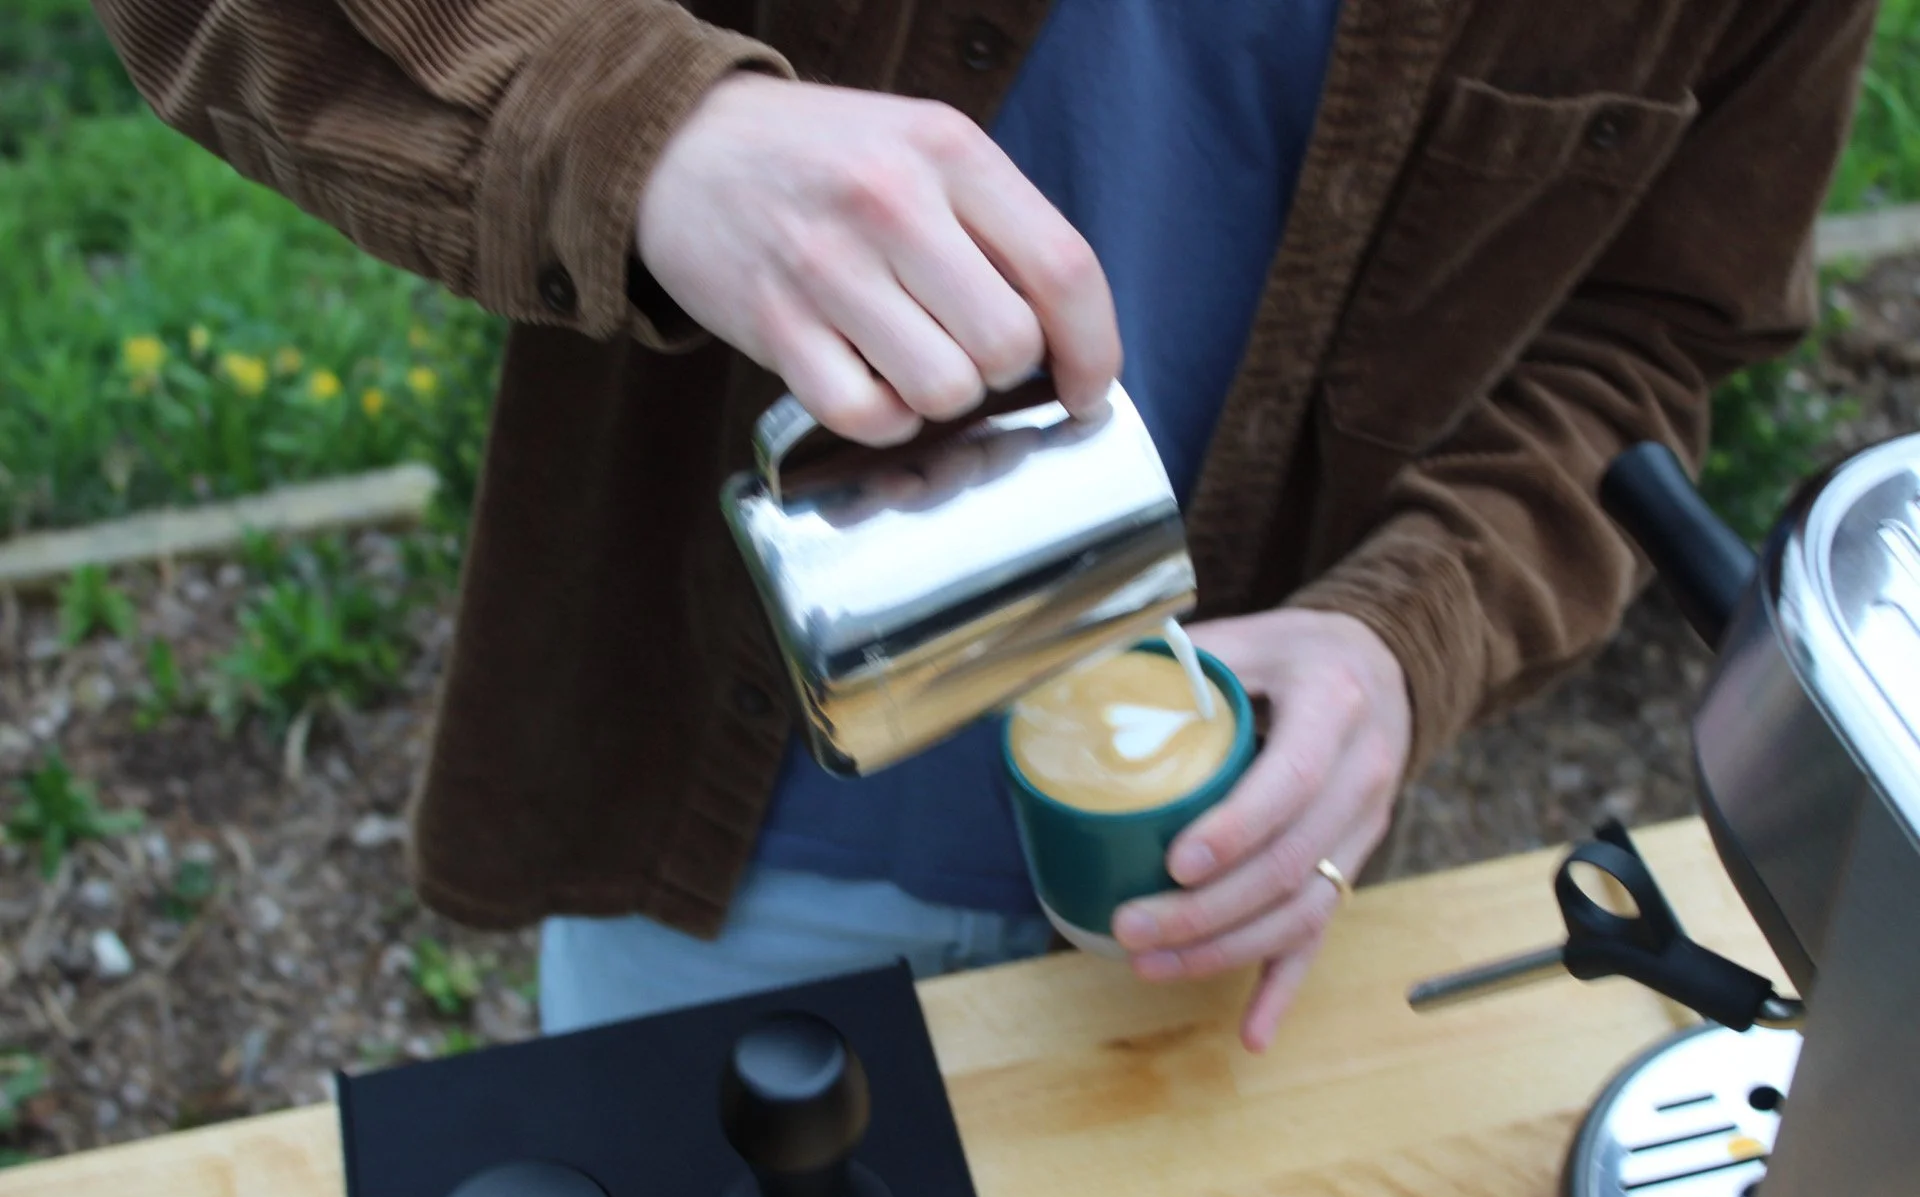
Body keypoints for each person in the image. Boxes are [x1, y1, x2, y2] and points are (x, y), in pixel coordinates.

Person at [93, 0, 1873, 1052]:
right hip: (723, 842)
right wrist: (649, 138)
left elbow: (1656, 329)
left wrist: (1410, 633)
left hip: (1218, 871)